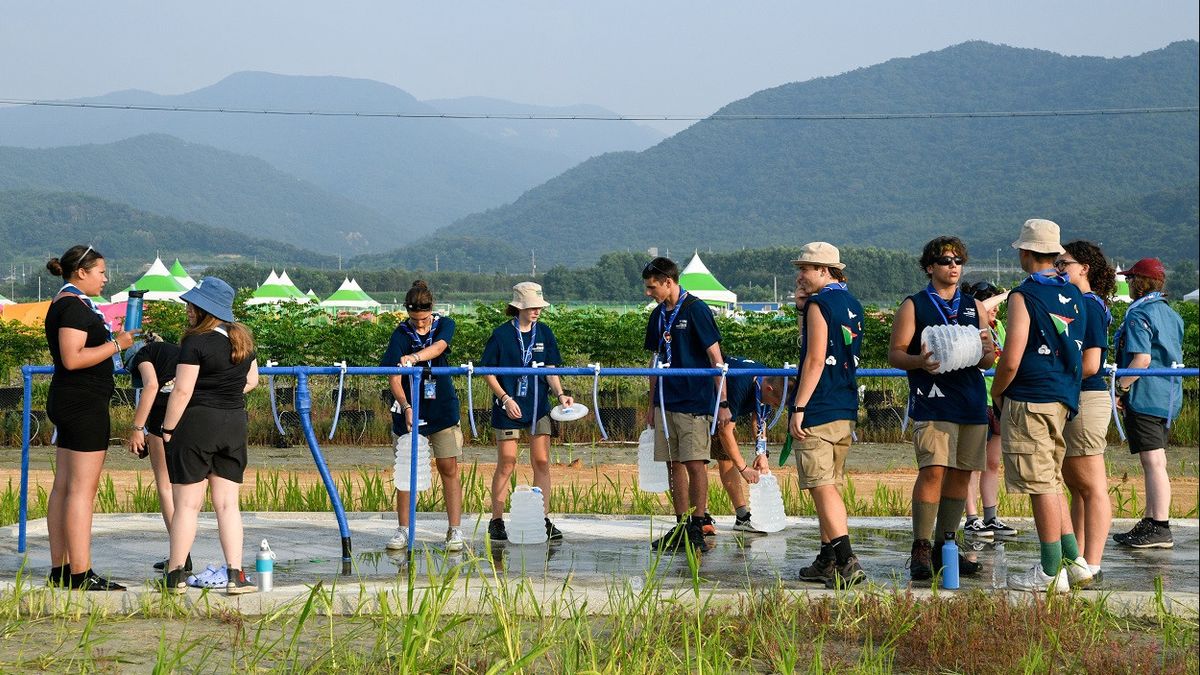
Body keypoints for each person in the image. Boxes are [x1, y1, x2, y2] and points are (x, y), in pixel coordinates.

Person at [888, 237, 995, 582]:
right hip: (933, 399)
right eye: (945, 260)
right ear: (930, 266)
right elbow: (895, 354)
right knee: (934, 470)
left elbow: (988, 359)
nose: (953, 266)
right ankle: (920, 546)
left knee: (963, 474)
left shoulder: (974, 306)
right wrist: (919, 361)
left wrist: (988, 348)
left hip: (972, 400)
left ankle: (946, 545)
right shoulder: (914, 305)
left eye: (959, 260)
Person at [991, 219, 1088, 592]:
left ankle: (1049, 572)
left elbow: (1012, 356)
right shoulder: (1075, 293)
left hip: (1030, 396)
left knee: (1040, 484)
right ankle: (1072, 559)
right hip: (1063, 396)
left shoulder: (1024, 295)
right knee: (1051, 477)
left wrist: (999, 392)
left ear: (1026, 252)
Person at [159, 277, 260, 595]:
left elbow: (183, 390)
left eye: (192, 304)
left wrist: (167, 430)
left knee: (187, 505)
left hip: (197, 424)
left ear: (204, 309)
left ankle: (175, 576)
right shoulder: (242, 339)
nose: (188, 309)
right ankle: (236, 574)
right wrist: (226, 392)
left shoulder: (195, 342)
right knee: (228, 505)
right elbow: (253, 380)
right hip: (234, 423)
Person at [44, 245, 135, 591]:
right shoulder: (71, 306)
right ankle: (81, 573)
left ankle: (62, 569)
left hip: (74, 400)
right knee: (82, 490)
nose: (105, 278)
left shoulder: (70, 303)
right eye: (100, 271)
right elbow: (72, 357)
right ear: (80, 272)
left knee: (66, 487)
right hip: (82, 403)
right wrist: (118, 344)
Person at [788, 243, 867, 588]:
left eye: (805, 269)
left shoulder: (820, 305)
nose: (800, 275)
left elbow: (815, 359)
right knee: (831, 483)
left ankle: (847, 559)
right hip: (845, 405)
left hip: (819, 405)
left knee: (821, 485)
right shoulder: (853, 304)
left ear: (824, 270)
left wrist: (799, 407)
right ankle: (827, 558)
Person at [642, 257, 730, 553]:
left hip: (694, 400)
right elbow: (654, 360)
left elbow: (716, 359)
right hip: (666, 402)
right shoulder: (657, 316)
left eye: (652, 286)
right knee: (673, 463)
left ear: (669, 281)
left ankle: (697, 523)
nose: (648, 292)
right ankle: (680, 524)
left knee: (695, 463)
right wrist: (651, 403)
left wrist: (724, 403)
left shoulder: (696, 310)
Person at [482, 282, 574, 542]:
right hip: (508, 405)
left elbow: (551, 368)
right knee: (507, 462)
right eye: (532, 307)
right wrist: (505, 397)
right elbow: (487, 370)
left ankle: (542, 518)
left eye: (539, 307)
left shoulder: (544, 333)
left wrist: (560, 393)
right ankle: (497, 520)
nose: (536, 311)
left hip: (538, 406)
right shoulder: (501, 335)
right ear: (518, 307)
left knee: (542, 461)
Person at [380, 281, 465, 552]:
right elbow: (394, 375)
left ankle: (454, 529)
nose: (419, 325)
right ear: (407, 313)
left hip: (441, 407)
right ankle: (403, 529)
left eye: (424, 319)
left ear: (432, 310)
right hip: (410, 410)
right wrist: (405, 405)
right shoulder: (399, 333)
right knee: (406, 468)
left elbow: (439, 347)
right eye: (414, 320)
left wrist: (414, 357)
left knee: (448, 467)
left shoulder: (444, 324)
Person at [1112, 257, 1184, 549]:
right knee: (1157, 459)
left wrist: (1119, 388)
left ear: (1139, 283)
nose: (1128, 284)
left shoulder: (1138, 314)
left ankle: (1160, 525)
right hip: (1168, 396)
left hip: (1146, 395)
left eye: (1130, 280)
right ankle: (1152, 519)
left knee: (1153, 461)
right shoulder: (1171, 314)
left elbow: (1141, 359)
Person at [1057, 241, 1116, 579]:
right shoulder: (1080, 303)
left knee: (1091, 486)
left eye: (1065, 263)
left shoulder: (1089, 306)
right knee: (1077, 485)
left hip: (1086, 398)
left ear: (1085, 269)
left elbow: (1091, 363)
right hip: (1074, 397)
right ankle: (1077, 558)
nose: (1060, 269)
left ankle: (1092, 561)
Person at [125, 333, 189, 572]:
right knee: (185, 489)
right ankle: (182, 554)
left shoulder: (141, 355)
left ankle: (179, 557)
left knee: (165, 487)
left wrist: (137, 428)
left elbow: (151, 385)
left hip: (162, 416)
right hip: (189, 414)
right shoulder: (177, 350)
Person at [963, 281, 1019, 539]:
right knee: (972, 462)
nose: (996, 308)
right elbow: (980, 310)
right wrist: (1006, 293)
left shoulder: (1002, 328)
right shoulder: (971, 324)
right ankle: (971, 517)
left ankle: (991, 515)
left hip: (997, 400)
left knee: (992, 463)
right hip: (976, 398)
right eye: (992, 302)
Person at [707, 357, 785, 534]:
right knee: (699, 460)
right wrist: (743, 468)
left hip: (722, 414)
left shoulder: (767, 378)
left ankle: (742, 516)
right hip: (702, 403)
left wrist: (762, 452)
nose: (773, 406)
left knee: (726, 458)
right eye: (774, 403)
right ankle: (700, 515)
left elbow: (760, 417)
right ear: (769, 389)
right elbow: (725, 431)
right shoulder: (740, 382)